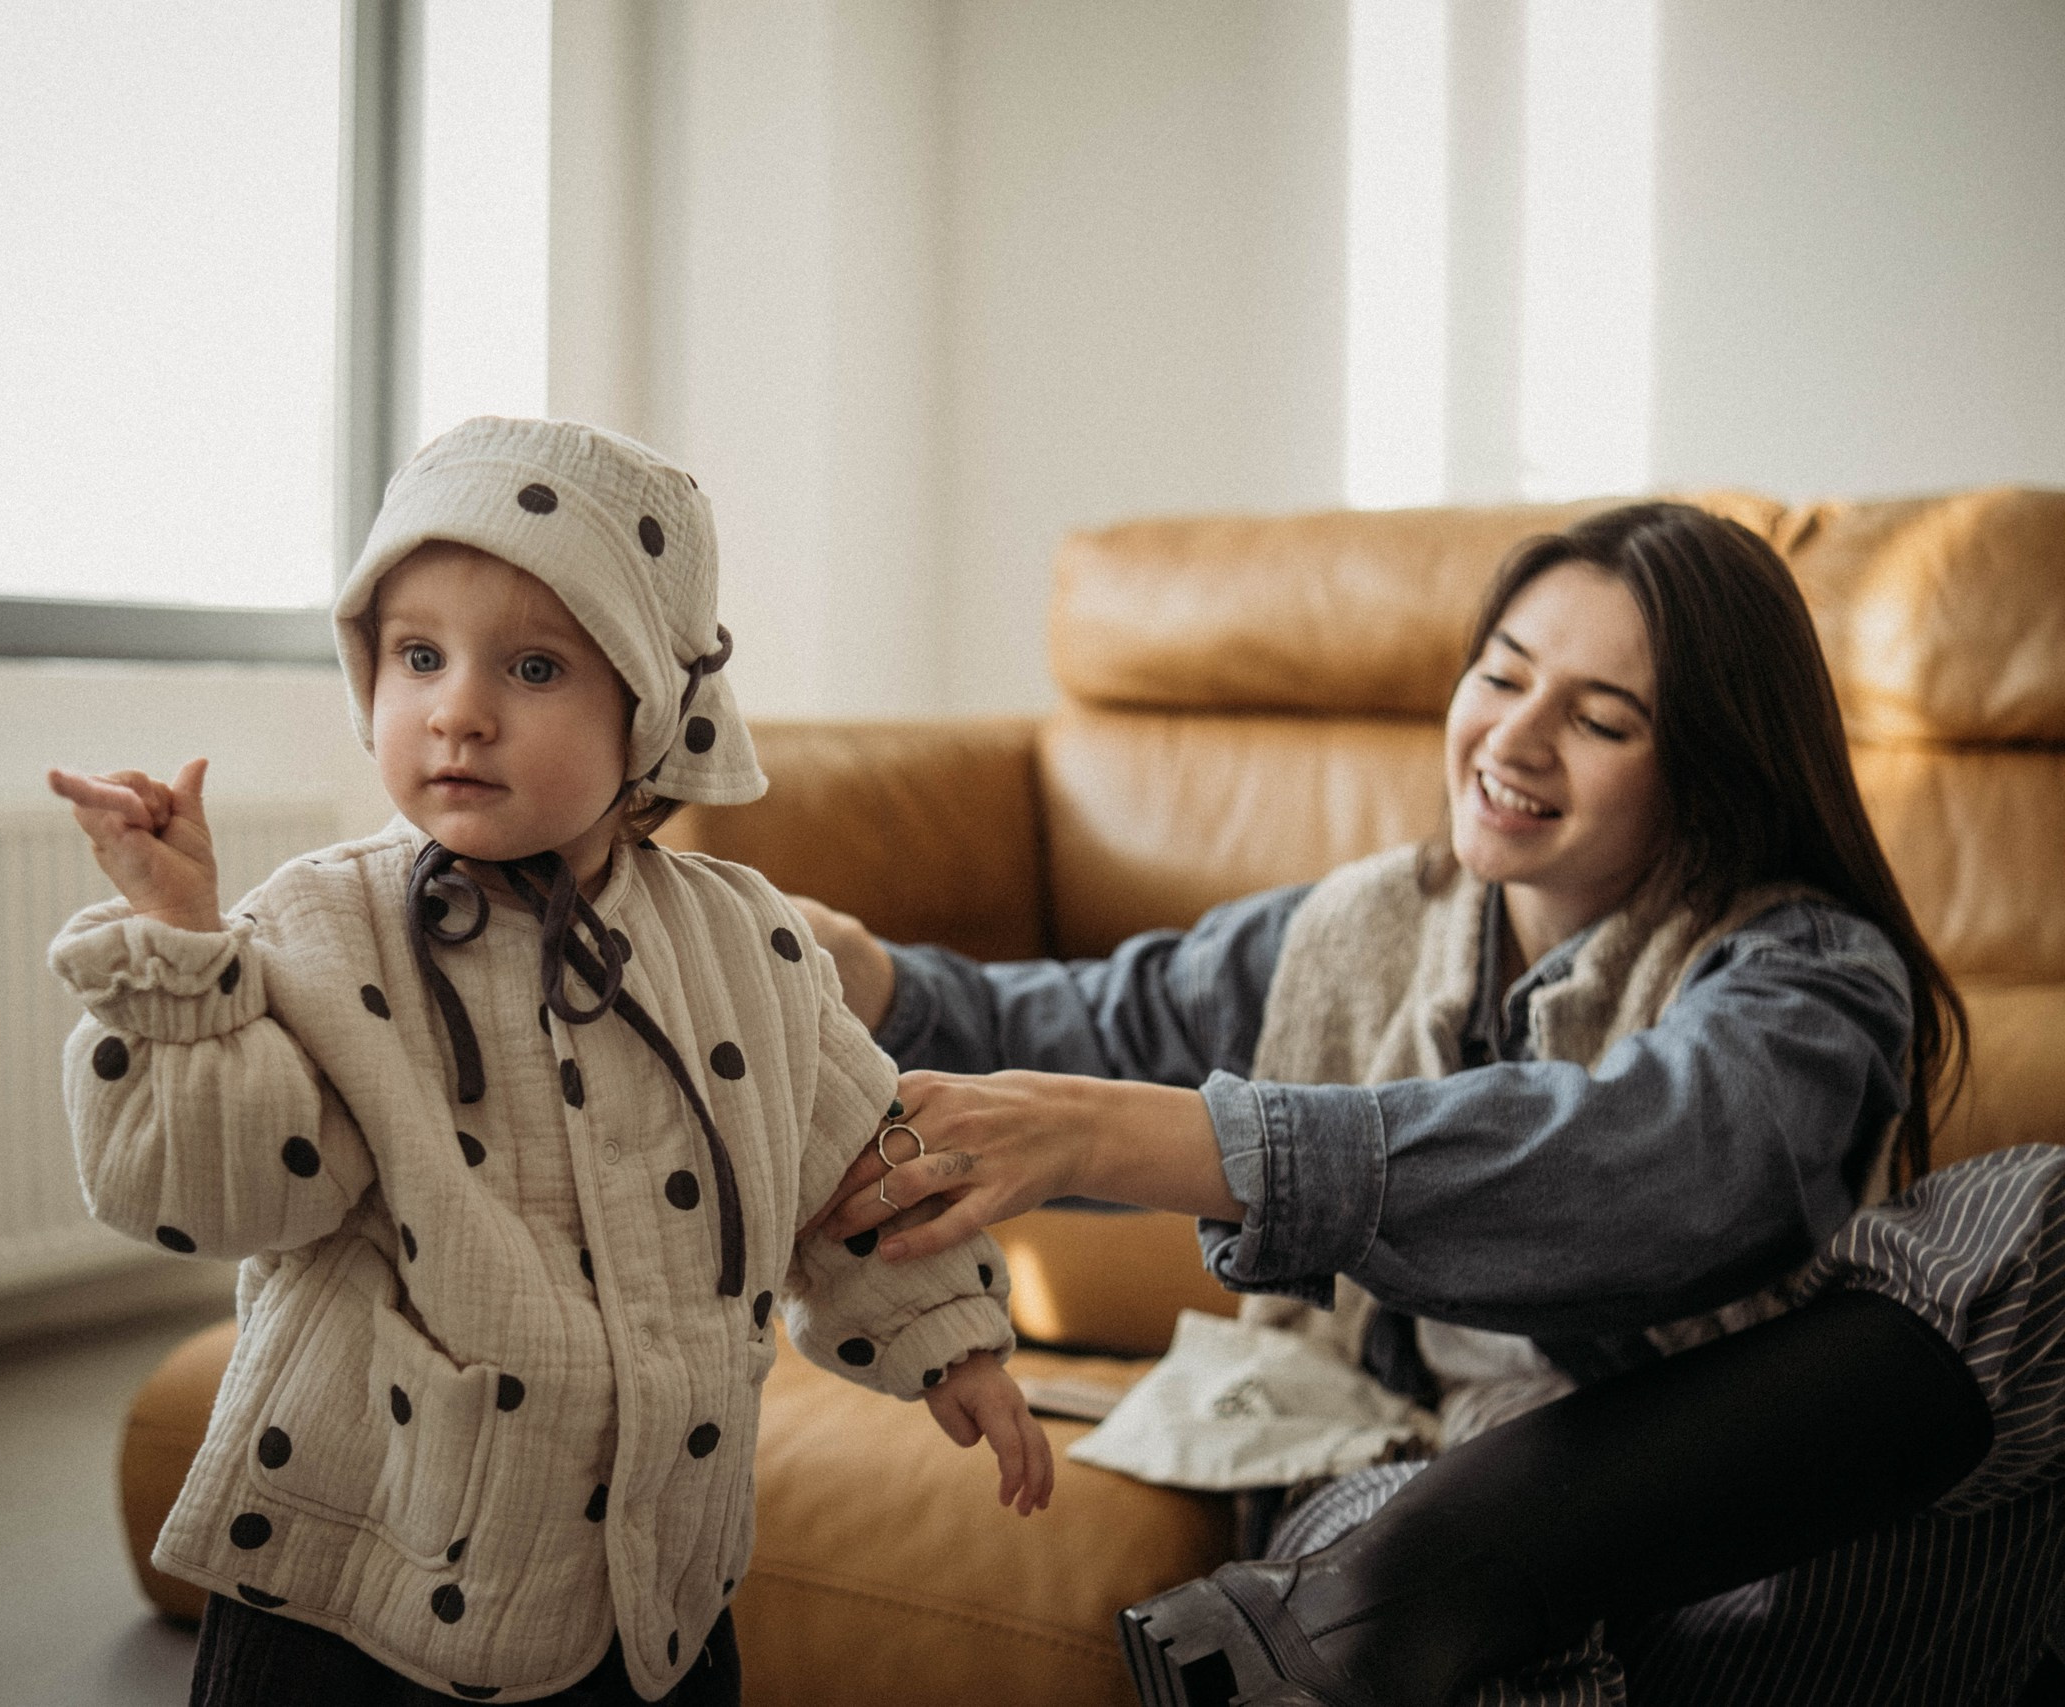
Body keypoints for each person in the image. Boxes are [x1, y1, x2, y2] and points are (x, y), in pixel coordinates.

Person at [793, 502, 2065, 1706]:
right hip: (1418, 1494)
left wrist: (1163, 1137)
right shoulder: (1355, 929)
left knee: (2040, 1213)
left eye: (1603, 720)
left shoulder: (1805, 976)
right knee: (1353, 1577)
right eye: (1501, 677)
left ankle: (1425, 1583)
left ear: (1711, 772)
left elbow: (1661, 1172)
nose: (1515, 739)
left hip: (1774, 1537)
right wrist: (873, 977)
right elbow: (1086, 1029)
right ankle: (1417, 1588)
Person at [45, 416, 1051, 1707]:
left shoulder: (750, 944)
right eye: (417, 655)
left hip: (651, 1596)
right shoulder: (314, 930)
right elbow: (215, 1190)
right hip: (359, 1589)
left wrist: (953, 1343)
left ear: (647, 709)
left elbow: (858, 1162)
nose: (458, 709)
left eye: (531, 666)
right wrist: (184, 951)